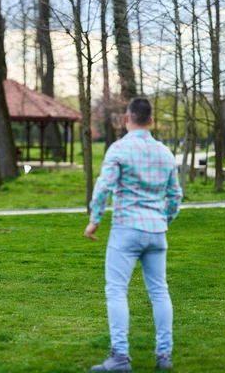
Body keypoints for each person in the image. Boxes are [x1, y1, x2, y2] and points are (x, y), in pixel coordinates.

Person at [84, 98, 183, 372]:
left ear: (126, 118)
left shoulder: (119, 149)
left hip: (126, 230)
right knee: (160, 293)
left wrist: (95, 221)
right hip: (156, 231)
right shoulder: (165, 153)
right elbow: (176, 195)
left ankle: (120, 357)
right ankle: (164, 356)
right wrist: (164, 219)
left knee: (117, 291)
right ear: (151, 121)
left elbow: (104, 187)